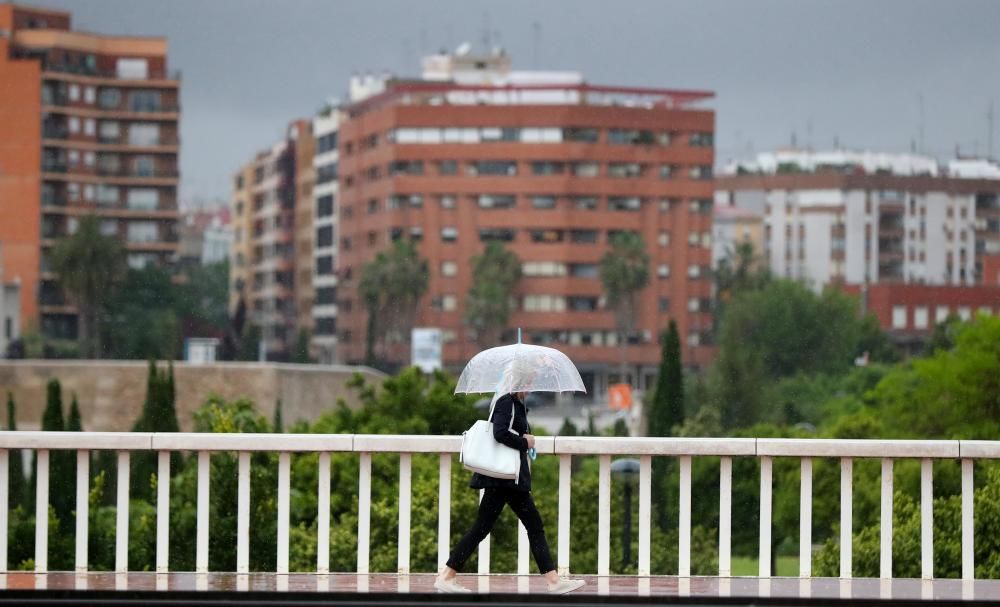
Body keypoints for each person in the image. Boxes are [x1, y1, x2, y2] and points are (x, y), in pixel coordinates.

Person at [435, 384, 585, 594]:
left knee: (484, 527)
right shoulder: (506, 402)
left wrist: (525, 437)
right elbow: (500, 433)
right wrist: (526, 441)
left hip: (506, 480)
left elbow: (507, 431)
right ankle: (553, 581)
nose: (531, 388)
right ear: (517, 381)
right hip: (506, 480)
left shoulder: (514, 403)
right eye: (528, 382)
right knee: (531, 526)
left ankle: (447, 575)